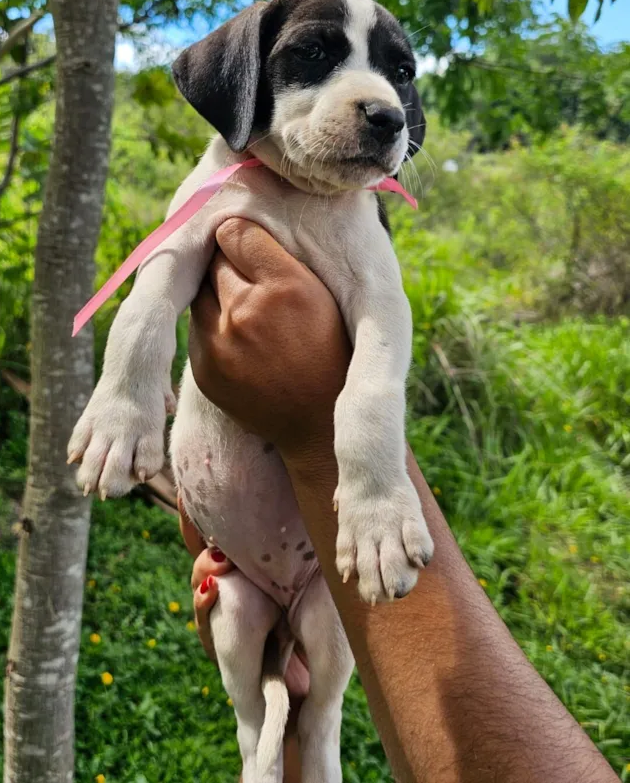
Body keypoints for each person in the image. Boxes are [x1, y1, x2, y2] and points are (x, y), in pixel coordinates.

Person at [178, 217, 619, 783]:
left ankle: (309, 738)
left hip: (314, 566)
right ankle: (276, 741)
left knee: (314, 722)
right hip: (260, 565)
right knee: (260, 719)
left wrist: (321, 430)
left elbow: (379, 313)